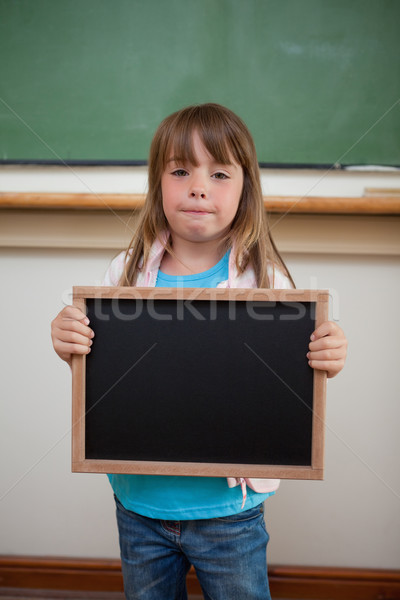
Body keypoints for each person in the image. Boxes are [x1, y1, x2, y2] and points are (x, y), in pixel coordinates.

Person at [51, 103, 347, 600]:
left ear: (245, 188)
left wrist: (328, 354)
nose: (198, 186)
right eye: (181, 170)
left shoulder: (266, 280)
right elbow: (94, 356)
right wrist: (68, 340)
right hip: (139, 505)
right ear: (158, 183)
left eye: (219, 173)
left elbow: (299, 365)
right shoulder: (124, 274)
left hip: (230, 513)